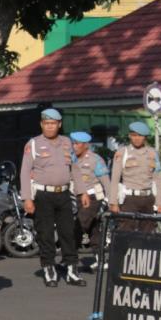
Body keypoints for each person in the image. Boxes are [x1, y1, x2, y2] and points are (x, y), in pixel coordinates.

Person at [20, 108, 86, 288]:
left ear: (59, 125)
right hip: (43, 195)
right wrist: (27, 198)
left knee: (68, 232)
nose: (50, 127)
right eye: (46, 124)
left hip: (64, 193)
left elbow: (75, 169)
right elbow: (25, 172)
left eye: (53, 124)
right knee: (46, 233)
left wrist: (82, 192)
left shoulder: (67, 143)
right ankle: (49, 268)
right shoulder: (33, 144)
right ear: (42, 124)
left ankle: (72, 269)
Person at [109, 121, 161, 233]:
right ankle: (122, 251)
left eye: (140, 136)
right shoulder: (122, 153)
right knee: (125, 230)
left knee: (148, 231)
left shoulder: (152, 153)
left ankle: (142, 251)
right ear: (129, 136)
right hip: (130, 199)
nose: (137, 138)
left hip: (148, 198)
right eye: (134, 135)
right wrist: (113, 202)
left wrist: (159, 202)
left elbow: (157, 179)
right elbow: (115, 179)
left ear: (145, 137)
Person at [70, 131, 110, 269]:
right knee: (93, 229)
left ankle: (70, 260)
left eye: (77, 144)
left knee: (79, 226)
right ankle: (101, 260)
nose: (74, 146)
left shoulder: (95, 160)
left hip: (92, 198)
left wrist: (110, 201)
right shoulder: (71, 159)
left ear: (86, 145)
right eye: (73, 143)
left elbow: (106, 181)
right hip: (76, 198)